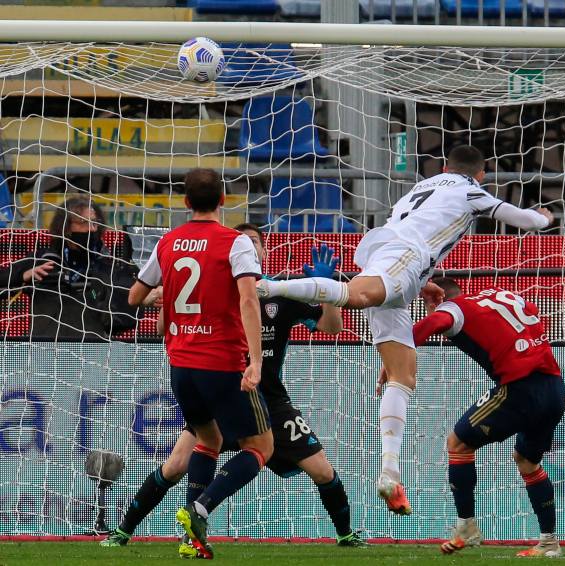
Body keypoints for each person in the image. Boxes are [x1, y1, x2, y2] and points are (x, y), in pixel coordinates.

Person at [258, 145, 553, 515]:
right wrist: (543, 216)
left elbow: (421, 228)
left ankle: (390, 472)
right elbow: (522, 220)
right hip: (403, 257)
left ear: (445, 165)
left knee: (402, 375)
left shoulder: (424, 186)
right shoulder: (469, 190)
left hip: (399, 260)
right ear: (481, 174)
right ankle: (272, 287)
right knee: (356, 295)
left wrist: (419, 282)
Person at [102, 226, 366, 554]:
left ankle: (345, 534)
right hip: (224, 390)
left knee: (323, 470)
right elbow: (161, 327)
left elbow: (332, 327)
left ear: (265, 253)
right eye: (245, 242)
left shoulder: (282, 294)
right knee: (175, 465)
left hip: (270, 398)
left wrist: (327, 292)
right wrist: (163, 300)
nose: (250, 247)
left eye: (256, 242)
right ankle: (125, 530)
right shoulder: (216, 294)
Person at [127, 168, 273, 560]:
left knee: (208, 441)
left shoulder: (169, 242)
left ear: (185, 202)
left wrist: (160, 292)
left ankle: (191, 539)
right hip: (221, 361)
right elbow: (248, 300)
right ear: (224, 200)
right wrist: (254, 361)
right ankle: (201, 507)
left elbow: (133, 297)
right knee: (261, 446)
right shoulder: (236, 242)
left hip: (180, 366)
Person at [397, 277, 565, 558]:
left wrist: (394, 361)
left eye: (428, 304)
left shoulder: (454, 309)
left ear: (439, 299)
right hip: (554, 388)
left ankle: (467, 527)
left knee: (458, 443)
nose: (428, 309)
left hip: (519, 389)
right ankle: (549, 542)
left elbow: (429, 326)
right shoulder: (497, 295)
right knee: (527, 461)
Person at [29, 198, 140, 341]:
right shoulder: (44, 258)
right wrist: (23, 274)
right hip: (46, 347)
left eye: (94, 222)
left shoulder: (107, 264)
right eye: (84, 222)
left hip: (92, 349)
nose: (92, 229)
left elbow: (123, 318)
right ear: (66, 228)